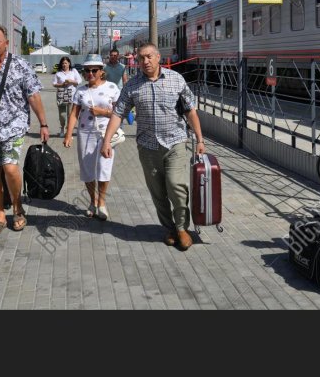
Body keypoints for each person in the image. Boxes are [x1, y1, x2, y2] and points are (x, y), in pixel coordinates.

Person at [101, 42, 205, 251]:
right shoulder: (132, 85)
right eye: (141, 58)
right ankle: (169, 228)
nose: (145, 61)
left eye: (149, 57)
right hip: (148, 147)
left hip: (175, 143)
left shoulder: (176, 80)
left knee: (176, 186)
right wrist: (106, 140)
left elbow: (190, 111)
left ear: (158, 57)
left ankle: (182, 228)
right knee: (157, 191)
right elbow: (118, 113)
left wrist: (200, 140)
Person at [0, 24, 50, 236]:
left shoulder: (21, 65)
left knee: (10, 168)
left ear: (6, 42)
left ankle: (17, 206)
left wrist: (43, 124)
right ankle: (0, 213)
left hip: (14, 125)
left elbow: (33, 95)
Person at [64, 55, 120, 221]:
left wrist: (103, 112)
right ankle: (92, 201)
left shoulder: (112, 88)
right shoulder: (80, 90)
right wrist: (68, 134)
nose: (90, 73)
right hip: (85, 133)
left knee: (104, 167)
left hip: (106, 134)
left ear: (101, 71)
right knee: (87, 169)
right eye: (87, 70)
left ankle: (102, 202)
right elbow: (74, 113)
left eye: (94, 70)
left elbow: (120, 113)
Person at [52, 56, 81, 136]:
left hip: (72, 94)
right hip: (61, 94)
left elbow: (79, 81)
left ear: (69, 63)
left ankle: (69, 131)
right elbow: (54, 84)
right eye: (63, 63)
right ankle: (62, 127)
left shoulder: (74, 71)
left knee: (70, 114)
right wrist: (62, 84)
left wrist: (71, 81)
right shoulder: (58, 73)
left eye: (66, 63)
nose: (64, 65)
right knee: (62, 114)